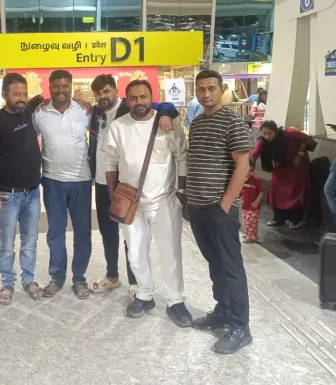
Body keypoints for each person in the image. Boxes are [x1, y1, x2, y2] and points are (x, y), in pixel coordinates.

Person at [104, 80, 192, 325]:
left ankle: (175, 300)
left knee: (170, 253)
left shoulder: (167, 123)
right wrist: (114, 196)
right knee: (135, 252)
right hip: (131, 203)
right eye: (133, 98)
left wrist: (181, 192)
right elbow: (110, 162)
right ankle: (144, 295)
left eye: (143, 97)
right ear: (127, 100)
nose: (139, 102)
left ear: (152, 97)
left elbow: (182, 156)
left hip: (165, 201)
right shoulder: (118, 127)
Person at [88, 74, 179, 297]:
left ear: (116, 91)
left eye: (107, 91)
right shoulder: (96, 112)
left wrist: (166, 112)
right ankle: (112, 276)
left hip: (126, 186)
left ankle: (135, 282)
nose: (103, 96)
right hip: (102, 182)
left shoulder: (128, 107)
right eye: (98, 93)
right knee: (108, 231)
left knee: (132, 236)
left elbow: (162, 106)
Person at [186, 69, 252, 354]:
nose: (206, 94)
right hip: (198, 207)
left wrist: (226, 204)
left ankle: (240, 326)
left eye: (211, 88)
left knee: (231, 266)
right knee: (215, 263)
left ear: (222, 90)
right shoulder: (198, 122)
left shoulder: (233, 122)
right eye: (201, 89)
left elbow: (243, 166)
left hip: (219, 209)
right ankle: (223, 311)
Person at [0, 73, 44, 305]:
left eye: (24, 94)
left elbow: (45, 98)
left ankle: (29, 280)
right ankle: (7, 283)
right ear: (4, 95)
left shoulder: (28, 112)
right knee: (7, 244)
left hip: (33, 192)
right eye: (16, 94)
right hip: (8, 195)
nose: (21, 98)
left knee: (30, 242)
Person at [33, 69, 92, 299]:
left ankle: (79, 278)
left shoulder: (84, 111)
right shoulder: (39, 113)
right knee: (55, 233)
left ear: (71, 86)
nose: (61, 90)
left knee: (82, 233)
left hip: (81, 181)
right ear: (49, 87)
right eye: (56, 86)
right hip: (52, 181)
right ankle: (57, 277)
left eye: (65, 85)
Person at [250, 120, 312, 230]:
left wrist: (300, 153)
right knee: (276, 189)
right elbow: (255, 153)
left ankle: (295, 219)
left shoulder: (289, 134)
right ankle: (278, 218)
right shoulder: (263, 141)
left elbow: (305, 139)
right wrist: (249, 163)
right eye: (264, 134)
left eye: (270, 133)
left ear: (275, 131)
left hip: (297, 165)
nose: (267, 136)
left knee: (295, 191)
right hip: (281, 167)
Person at [241, 159, 264, 243]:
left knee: (252, 222)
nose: (249, 173)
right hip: (245, 205)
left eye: (251, 171)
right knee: (246, 221)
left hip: (253, 206)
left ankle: (252, 237)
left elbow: (261, 192)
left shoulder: (256, 180)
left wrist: (257, 201)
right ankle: (248, 233)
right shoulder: (243, 179)